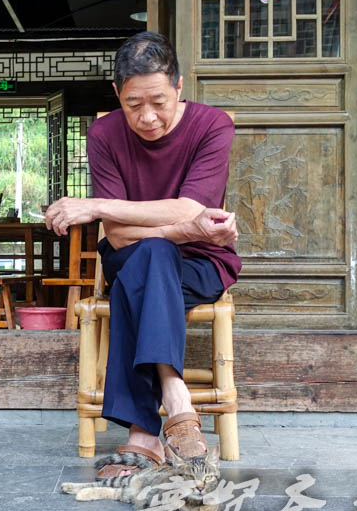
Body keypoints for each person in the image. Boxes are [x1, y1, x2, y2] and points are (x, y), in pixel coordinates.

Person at [44, 31, 240, 478]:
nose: (147, 117)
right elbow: (117, 235)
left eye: (158, 101)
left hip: (201, 263)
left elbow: (191, 208)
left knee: (148, 265)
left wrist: (94, 206)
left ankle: (143, 434)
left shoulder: (212, 126)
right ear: (117, 94)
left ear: (179, 87)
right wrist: (180, 228)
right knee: (149, 257)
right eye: (133, 104)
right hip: (131, 256)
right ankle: (177, 401)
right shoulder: (104, 133)